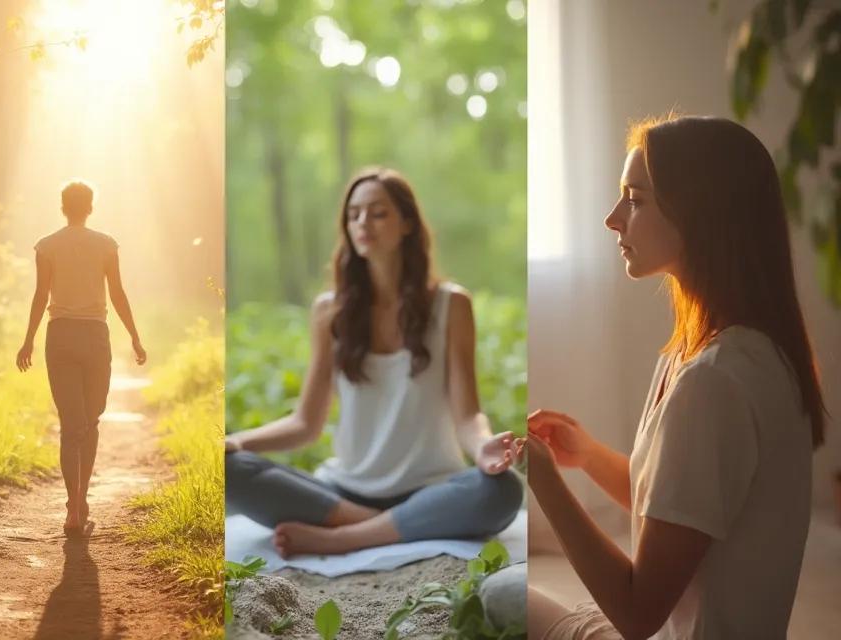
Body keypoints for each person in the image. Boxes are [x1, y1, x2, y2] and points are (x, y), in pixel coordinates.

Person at [526, 115, 827, 639]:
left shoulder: (714, 382)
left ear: (701, 215)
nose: (612, 218)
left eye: (636, 199)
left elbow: (638, 614)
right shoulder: (729, 352)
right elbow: (682, 510)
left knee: (499, 595)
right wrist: (589, 456)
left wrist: (544, 482)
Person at [224, 167, 523, 557]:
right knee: (228, 468)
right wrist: (235, 441)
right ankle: (391, 524)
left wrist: (483, 446)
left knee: (504, 491)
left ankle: (343, 538)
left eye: (378, 213)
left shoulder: (452, 305)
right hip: (343, 493)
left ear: (407, 224)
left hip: (432, 489)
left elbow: (468, 416)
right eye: (354, 214)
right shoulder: (328, 311)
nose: (363, 222)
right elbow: (305, 425)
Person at [16, 180, 146, 536]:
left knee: (70, 426)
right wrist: (134, 336)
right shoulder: (106, 245)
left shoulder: (47, 246)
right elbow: (117, 293)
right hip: (94, 337)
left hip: (59, 337)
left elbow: (41, 295)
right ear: (90, 207)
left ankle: (74, 506)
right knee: (89, 422)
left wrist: (28, 340)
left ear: (62, 207)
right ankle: (80, 502)